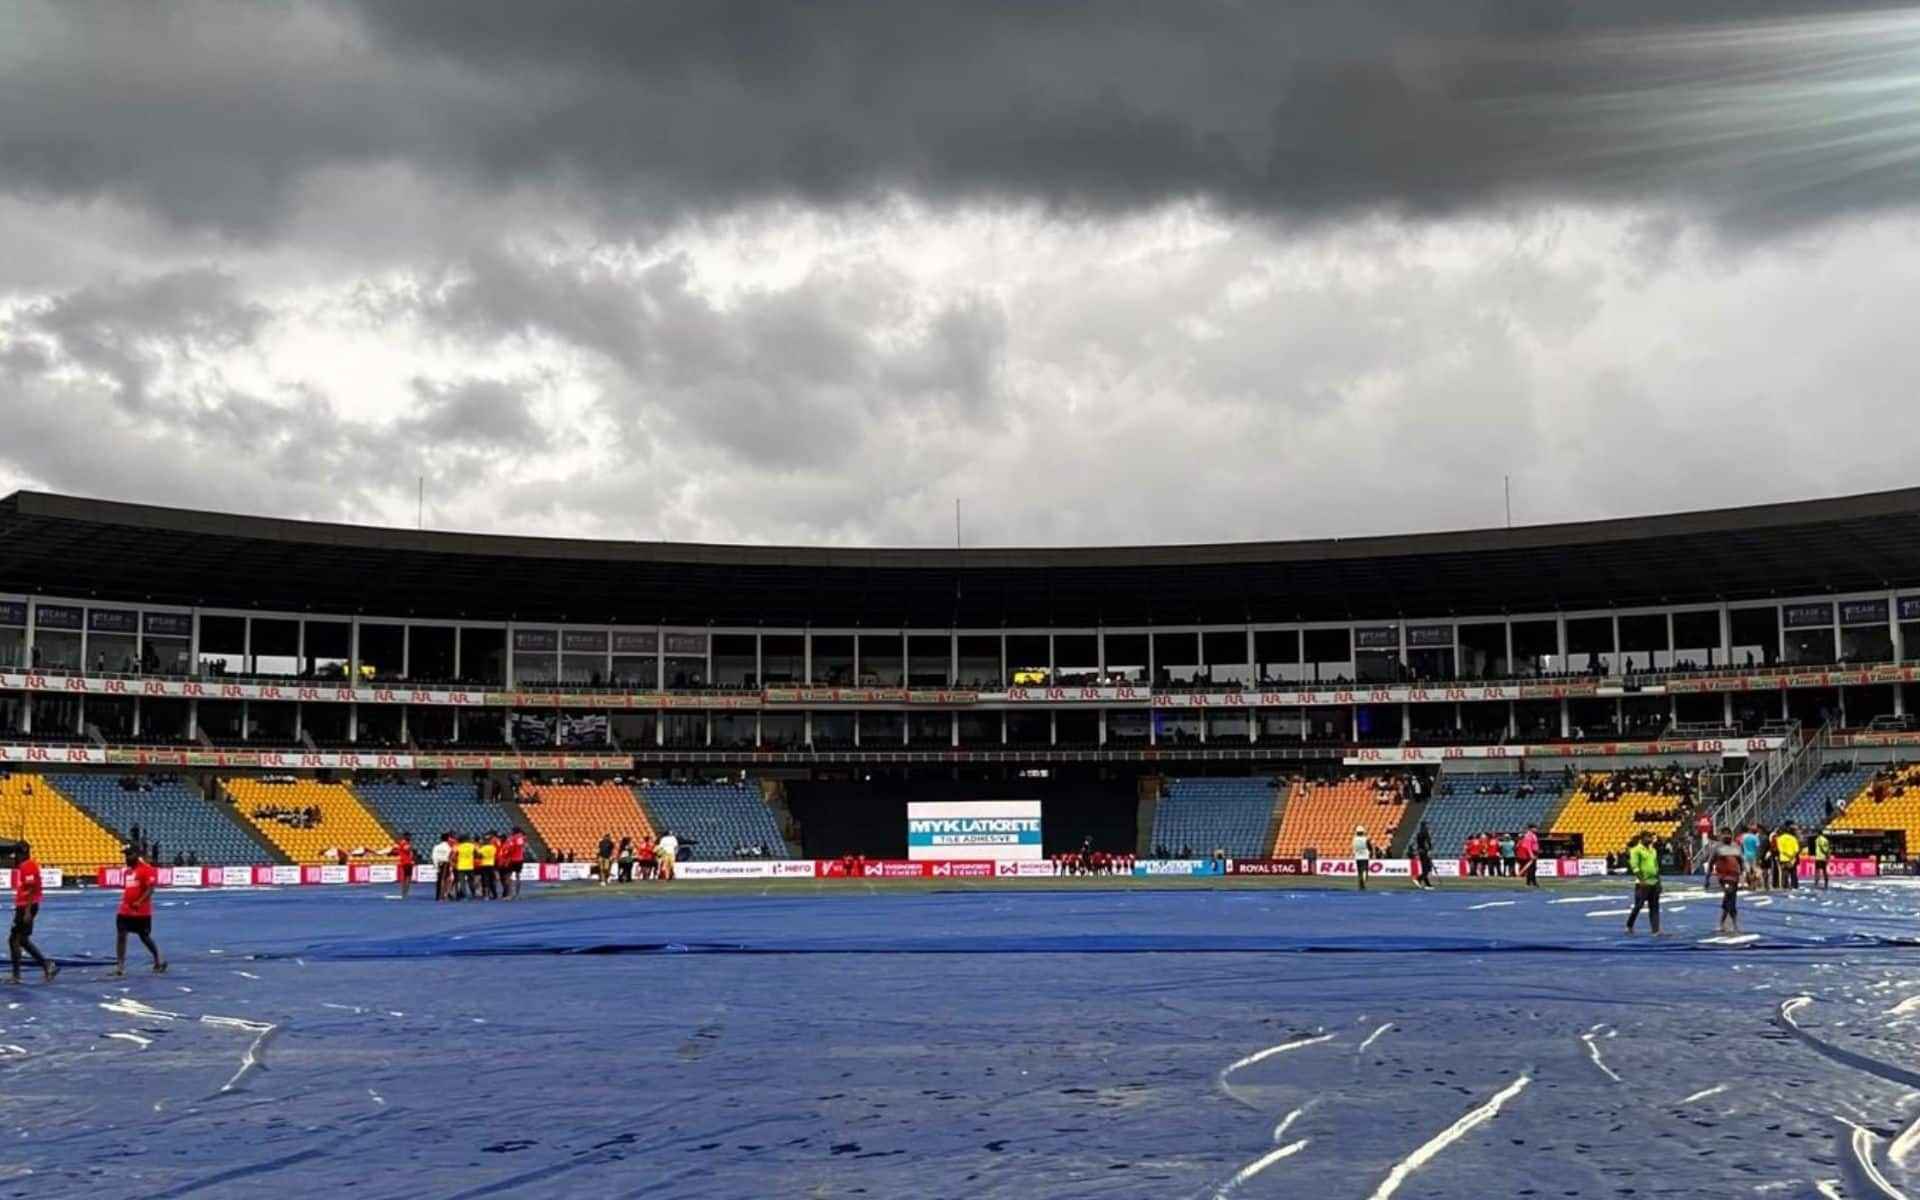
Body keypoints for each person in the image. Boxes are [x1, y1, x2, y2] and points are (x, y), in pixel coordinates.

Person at [8, 840, 58, 985]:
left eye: (17, 854)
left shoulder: (27, 866)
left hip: (26, 906)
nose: (15, 857)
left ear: (21, 853)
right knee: (21, 939)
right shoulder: (28, 866)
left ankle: (17, 975)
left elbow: (31, 889)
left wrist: (27, 911)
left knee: (14, 940)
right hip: (26, 906)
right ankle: (46, 965)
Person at [113, 845, 165, 976]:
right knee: (121, 934)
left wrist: (139, 902)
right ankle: (120, 966)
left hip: (141, 911)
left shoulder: (147, 870)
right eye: (125, 855)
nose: (126, 858)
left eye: (129, 855)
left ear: (137, 855)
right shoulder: (128, 872)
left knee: (144, 936)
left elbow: (150, 889)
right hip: (125, 909)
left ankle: (158, 960)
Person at [1626, 831, 1662, 937]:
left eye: (1651, 837)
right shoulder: (1636, 850)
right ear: (1642, 838)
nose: (1651, 839)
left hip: (1654, 882)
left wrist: (1659, 882)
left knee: (1654, 907)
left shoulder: (1653, 850)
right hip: (1642, 883)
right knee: (1638, 905)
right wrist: (1642, 881)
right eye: (1648, 837)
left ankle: (1655, 930)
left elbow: (1656, 867)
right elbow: (1635, 867)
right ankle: (1629, 924)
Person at [1709, 831, 1743, 935]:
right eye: (1725, 835)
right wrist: (1707, 878)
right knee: (1730, 898)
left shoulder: (1736, 848)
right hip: (1724, 878)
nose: (1727, 837)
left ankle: (1721, 923)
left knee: (1729, 899)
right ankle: (1735, 925)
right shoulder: (1718, 849)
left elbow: (1741, 862)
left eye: (1729, 835)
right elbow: (1711, 862)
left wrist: (1742, 874)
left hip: (1734, 877)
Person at [1776, 825, 1802, 891]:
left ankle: (1785, 886)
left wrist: (1788, 856)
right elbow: (1796, 850)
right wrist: (1792, 857)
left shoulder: (1780, 838)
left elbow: (1781, 850)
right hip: (1793, 859)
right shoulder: (1793, 838)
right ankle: (1794, 885)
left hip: (1784, 858)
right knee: (1793, 872)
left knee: (1784, 873)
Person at [391, 832, 414, 900]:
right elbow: (407, 849)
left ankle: (406, 892)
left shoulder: (405, 843)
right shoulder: (403, 843)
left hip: (409, 862)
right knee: (406, 878)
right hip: (405, 862)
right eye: (409, 836)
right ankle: (404, 893)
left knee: (408, 878)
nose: (410, 838)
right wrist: (411, 845)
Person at [1518, 825, 1542, 889]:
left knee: (1533, 868)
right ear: (1531, 828)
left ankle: (1532, 882)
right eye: (1535, 828)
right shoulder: (1528, 836)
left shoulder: (1534, 835)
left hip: (1534, 852)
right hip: (1531, 853)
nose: (1536, 829)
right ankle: (1529, 882)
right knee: (1531, 868)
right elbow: (1528, 846)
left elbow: (1535, 844)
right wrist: (1531, 854)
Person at [431, 832, 454, 901]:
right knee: (444, 880)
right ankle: (443, 895)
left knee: (439, 880)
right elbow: (450, 857)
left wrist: (436, 865)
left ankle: (438, 895)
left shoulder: (436, 847)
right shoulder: (449, 847)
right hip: (446, 864)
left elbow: (434, 857)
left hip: (439, 863)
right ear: (447, 839)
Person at [455, 833, 477, 900]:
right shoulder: (472, 846)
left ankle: (464, 895)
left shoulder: (458, 846)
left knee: (462, 882)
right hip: (470, 866)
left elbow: (456, 854)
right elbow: (476, 854)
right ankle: (473, 893)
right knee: (471, 881)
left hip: (461, 866)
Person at [478, 832, 499, 900]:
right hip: (491, 865)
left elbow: (479, 855)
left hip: (484, 865)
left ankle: (486, 895)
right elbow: (494, 854)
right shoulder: (493, 848)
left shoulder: (483, 848)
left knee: (485, 880)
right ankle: (494, 894)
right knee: (492, 880)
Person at [1415, 821, 1436, 890]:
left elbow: (1419, 844)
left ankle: (1427, 884)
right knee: (1427, 869)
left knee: (1425, 869)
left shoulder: (1418, 834)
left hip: (1421, 852)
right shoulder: (1425, 833)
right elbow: (1428, 842)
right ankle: (1418, 879)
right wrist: (1430, 850)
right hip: (1425, 852)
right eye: (1427, 825)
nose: (1428, 827)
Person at [1351, 825, 1371, 891]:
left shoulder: (1354, 839)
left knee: (1359, 871)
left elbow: (1353, 847)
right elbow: (1369, 847)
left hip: (1357, 856)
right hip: (1365, 856)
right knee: (1365, 870)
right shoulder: (1365, 839)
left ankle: (1361, 885)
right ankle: (1364, 880)